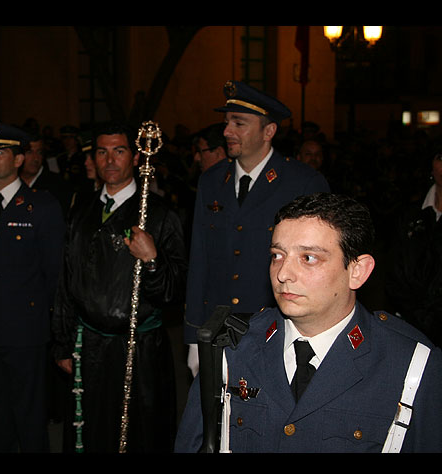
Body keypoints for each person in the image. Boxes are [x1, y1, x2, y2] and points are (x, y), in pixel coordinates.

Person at [176, 192, 442, 453]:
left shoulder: (411, 366)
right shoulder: (234, 347)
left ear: (357, 271)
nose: (283, 274)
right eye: (277, 255)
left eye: (308, 258)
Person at [51, 122, 188, 453]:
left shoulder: (159, 215)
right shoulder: (80, 209)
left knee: (137, 435)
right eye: (102, 151)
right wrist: (63, 342)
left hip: (138, 350)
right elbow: (67, 281)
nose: (109, 160)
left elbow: (174, 291)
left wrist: (152, 259)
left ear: (136, 157)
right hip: (88, 345)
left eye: (119, 150)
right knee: (91, 434)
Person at [184, 80, 330, 376]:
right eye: (226, 123)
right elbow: (199, 260)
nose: (227, 132)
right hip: (218, 328)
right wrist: (193, 337)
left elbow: (320, 264)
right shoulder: (212, 181)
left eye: (239, 123)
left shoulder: (302, 182)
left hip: (277, 329)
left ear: (269, 131)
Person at [0, 121, 64, 452]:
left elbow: (54, 274)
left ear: (19, 159)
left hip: (25, 333)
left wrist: (50, 326)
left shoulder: (42, 207)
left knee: (29, 417)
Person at [386, 151, 442, 347]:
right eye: (441, 159)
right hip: (411, 323)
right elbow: (395, 269)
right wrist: (415, 313)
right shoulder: (412, 215)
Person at [20, 132, 73, 216]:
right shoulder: (10, 182)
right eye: (29, 152)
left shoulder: (57, 184)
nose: (36, 158)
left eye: (39, 152)